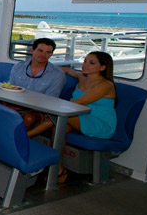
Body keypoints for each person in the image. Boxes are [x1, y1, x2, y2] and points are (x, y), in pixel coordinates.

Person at [30, 51, 116, 182]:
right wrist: (47, 69)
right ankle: (59, 169)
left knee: (59, 118)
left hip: (99, 122)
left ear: (103, 67)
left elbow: (79, 103)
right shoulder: (82, 77)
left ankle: (25, 136)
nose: (85, 65)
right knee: (59, 128)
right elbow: (68, 71)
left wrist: (51, 111)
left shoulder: (105, 85)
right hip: (79, 115)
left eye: (91, 63)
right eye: (85, 61)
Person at [8, 37, 66, 136]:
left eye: (48, 52)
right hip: (14, 103)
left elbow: (50, 100)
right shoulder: (18, 67)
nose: (43, 55)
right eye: (40, 50)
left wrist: (20, 106)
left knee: (29, 118)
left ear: (51, 54)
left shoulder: (57, 74)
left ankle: (19, 144)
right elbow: (10, 89)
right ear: (32, 50)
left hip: (38, 109)